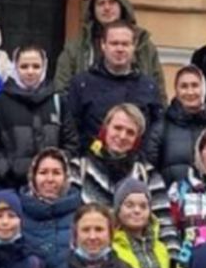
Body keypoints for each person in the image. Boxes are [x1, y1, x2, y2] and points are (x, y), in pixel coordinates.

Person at [64, 21, 166, 169]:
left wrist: (144, 158)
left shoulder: (148, 86)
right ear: (103, 45)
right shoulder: (82, 83)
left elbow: (157, 129)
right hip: (91, 167)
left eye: (125, 44)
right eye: (114, 43)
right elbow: (72, 129)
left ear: (134, 47)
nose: (120, 49)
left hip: (136, 168)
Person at [71, 104, 170, 238]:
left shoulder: (147, 174)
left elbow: (164, 223)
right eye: (117, 128)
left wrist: (172, 257)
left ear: (137, 140)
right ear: (105, 129)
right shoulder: (79, 168)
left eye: (130, 132)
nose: (122, 136)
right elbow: (68, 221)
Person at [0, 45, 63, 188]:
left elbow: (71, 143)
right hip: (11, 186)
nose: (30, 72)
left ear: (44, 68)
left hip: (52, 186)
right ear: (15, 68)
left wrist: (55, 168)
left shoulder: (59, 102)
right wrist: (7, 170)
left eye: (36, 66)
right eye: (24, 66)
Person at [52, 0, 160, 90]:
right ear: (92, 9)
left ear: (122, 6)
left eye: (112, 2)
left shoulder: (142, 44)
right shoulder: (76, 48)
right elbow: (62, 88)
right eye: (101, 3)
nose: (107, 8)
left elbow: (157, 89)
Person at [109, 179, 175, 268]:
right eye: (129, 205)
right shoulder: (112, 249)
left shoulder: (161, 249)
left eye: (143, 206)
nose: (137, 211)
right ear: (118, 210)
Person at [18, 149, 82, 268]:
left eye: (56, 173)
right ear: (33, 176)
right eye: (43, 172)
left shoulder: (80, 215)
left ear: (66, 177)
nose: (50, 179)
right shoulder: (18, 213)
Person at [159, 66, 206, 192]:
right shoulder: (161, 127)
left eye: (195, 85)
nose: (190, 92)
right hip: (171, 203)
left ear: (203, 89)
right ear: (176, 90)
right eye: (184, 86)